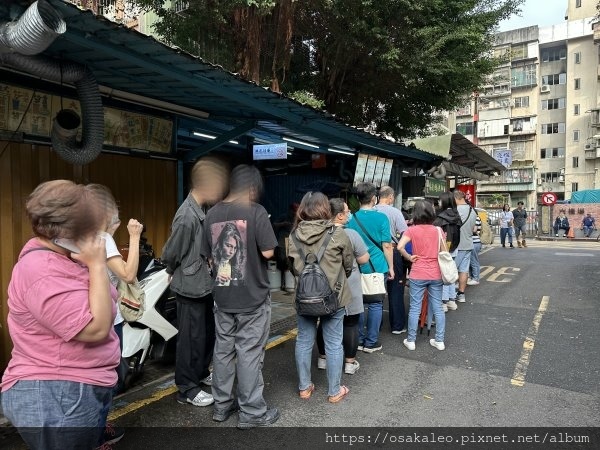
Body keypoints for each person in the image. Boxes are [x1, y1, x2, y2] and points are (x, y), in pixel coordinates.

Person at [1, 180, 120, 450]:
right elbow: (95, 329)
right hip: (57, 393)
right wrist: (98, 265)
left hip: (73, 390)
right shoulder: (41, 269)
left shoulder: (65, 257)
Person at [202, 164, 280, 428]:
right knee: (248, 353)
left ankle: (221, 406)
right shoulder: (256, 212)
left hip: (222, 297)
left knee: (223, 351)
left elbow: (209, 256)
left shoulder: (211, 214)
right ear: (251, 187)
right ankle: (252, 413)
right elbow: (269, 252)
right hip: (253, 299)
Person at [162, 156, 229, 409]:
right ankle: (187, 388)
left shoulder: (200, 210)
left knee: (204, 334)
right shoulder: (187, 216)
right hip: (190, 286)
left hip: (202, 284)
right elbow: (172, 251)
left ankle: (201, 373)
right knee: (190, 339)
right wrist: (170, 268)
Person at [288, 192, 354, 403]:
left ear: (303, 210)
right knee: (334, 343)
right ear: (325, 209)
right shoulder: (338, 234)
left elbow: (293, 269)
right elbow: (349, 265)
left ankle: (304, 387)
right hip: (334, 297)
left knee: (304, 340)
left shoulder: (293, 235)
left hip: (304, 298)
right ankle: (334, 391)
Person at [316, 198, 370, 375]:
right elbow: (363, 259)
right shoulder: (351, 234)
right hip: (348, 283)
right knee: (350, 323)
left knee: (324, 322)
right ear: (339, 215)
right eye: (347, 212)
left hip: (324, 283)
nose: (349, 214)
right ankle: (349, 363)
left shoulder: (318, 233)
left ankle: (322, 359)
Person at [346, 182, 394, 353]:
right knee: (375, 304)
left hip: (356, 267)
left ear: (358, 199)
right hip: (377, 266)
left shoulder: (351, 219)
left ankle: (358, 340)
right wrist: (391, 267)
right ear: (374, 198)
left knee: (358, 304)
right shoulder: (381, 218)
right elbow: (387, 245)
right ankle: (371, 342)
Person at [397, 200, 446, 351]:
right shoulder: (438, 230)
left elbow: (399, 247)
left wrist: (409, 257)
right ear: (431, 213)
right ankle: (439, 341)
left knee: (414, 308)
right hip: (436, 273)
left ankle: (411, 340)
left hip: (417, 272)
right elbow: (444, 252)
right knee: (438, 307)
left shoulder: (411, 230)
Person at [374, 186, 408, 335]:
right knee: (396, 289)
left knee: (375, 289)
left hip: (374, 253)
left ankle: (376, 325)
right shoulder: (395, 212)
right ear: (390, 197)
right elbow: (405, 233)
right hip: (392, 251)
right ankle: (397, 326)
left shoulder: (371, 211)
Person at [433, 192, 462, 312]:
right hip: (454, 247)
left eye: (440, 200)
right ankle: (451, 300)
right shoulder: (456, 215)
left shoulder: (440, 217)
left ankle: (443, 302)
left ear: (444, 201)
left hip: (443, 248)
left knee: (443, 275)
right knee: (450, 274)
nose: (438, 203)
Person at [453, 190, 477, 303]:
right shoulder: (472, 210)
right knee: (464, 270)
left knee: (451, 270)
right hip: (468, 244)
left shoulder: (455, 210)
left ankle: (450, 297)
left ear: (455, 198)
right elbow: (474, 229)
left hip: (457, 245)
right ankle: (461, 294)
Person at [213, 222, 245, 286]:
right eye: (228, 245)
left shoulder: (237, 271)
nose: (232, 252)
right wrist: (215, 280)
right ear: (220, 243)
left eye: (235, 248)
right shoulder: (210, 263)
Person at [468, 213, 482, 286]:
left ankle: (476, 278)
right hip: (471, 242)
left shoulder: (475, 218)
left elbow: (474, 230)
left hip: (474, 242)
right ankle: (471, 277)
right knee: (470, 261)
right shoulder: (473, 217)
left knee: (474, 261)